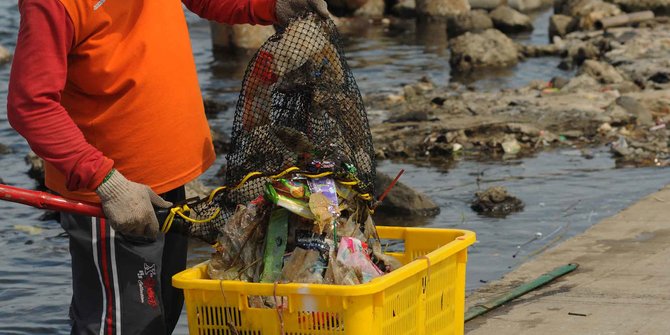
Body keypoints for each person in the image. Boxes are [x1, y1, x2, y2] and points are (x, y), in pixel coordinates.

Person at [6, 0, 328, 334]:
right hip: (112, 199)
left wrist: (271, 5)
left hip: (172, 183)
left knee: (162, 318)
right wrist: (106, 181)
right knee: (122, 325)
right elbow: (30, 105)